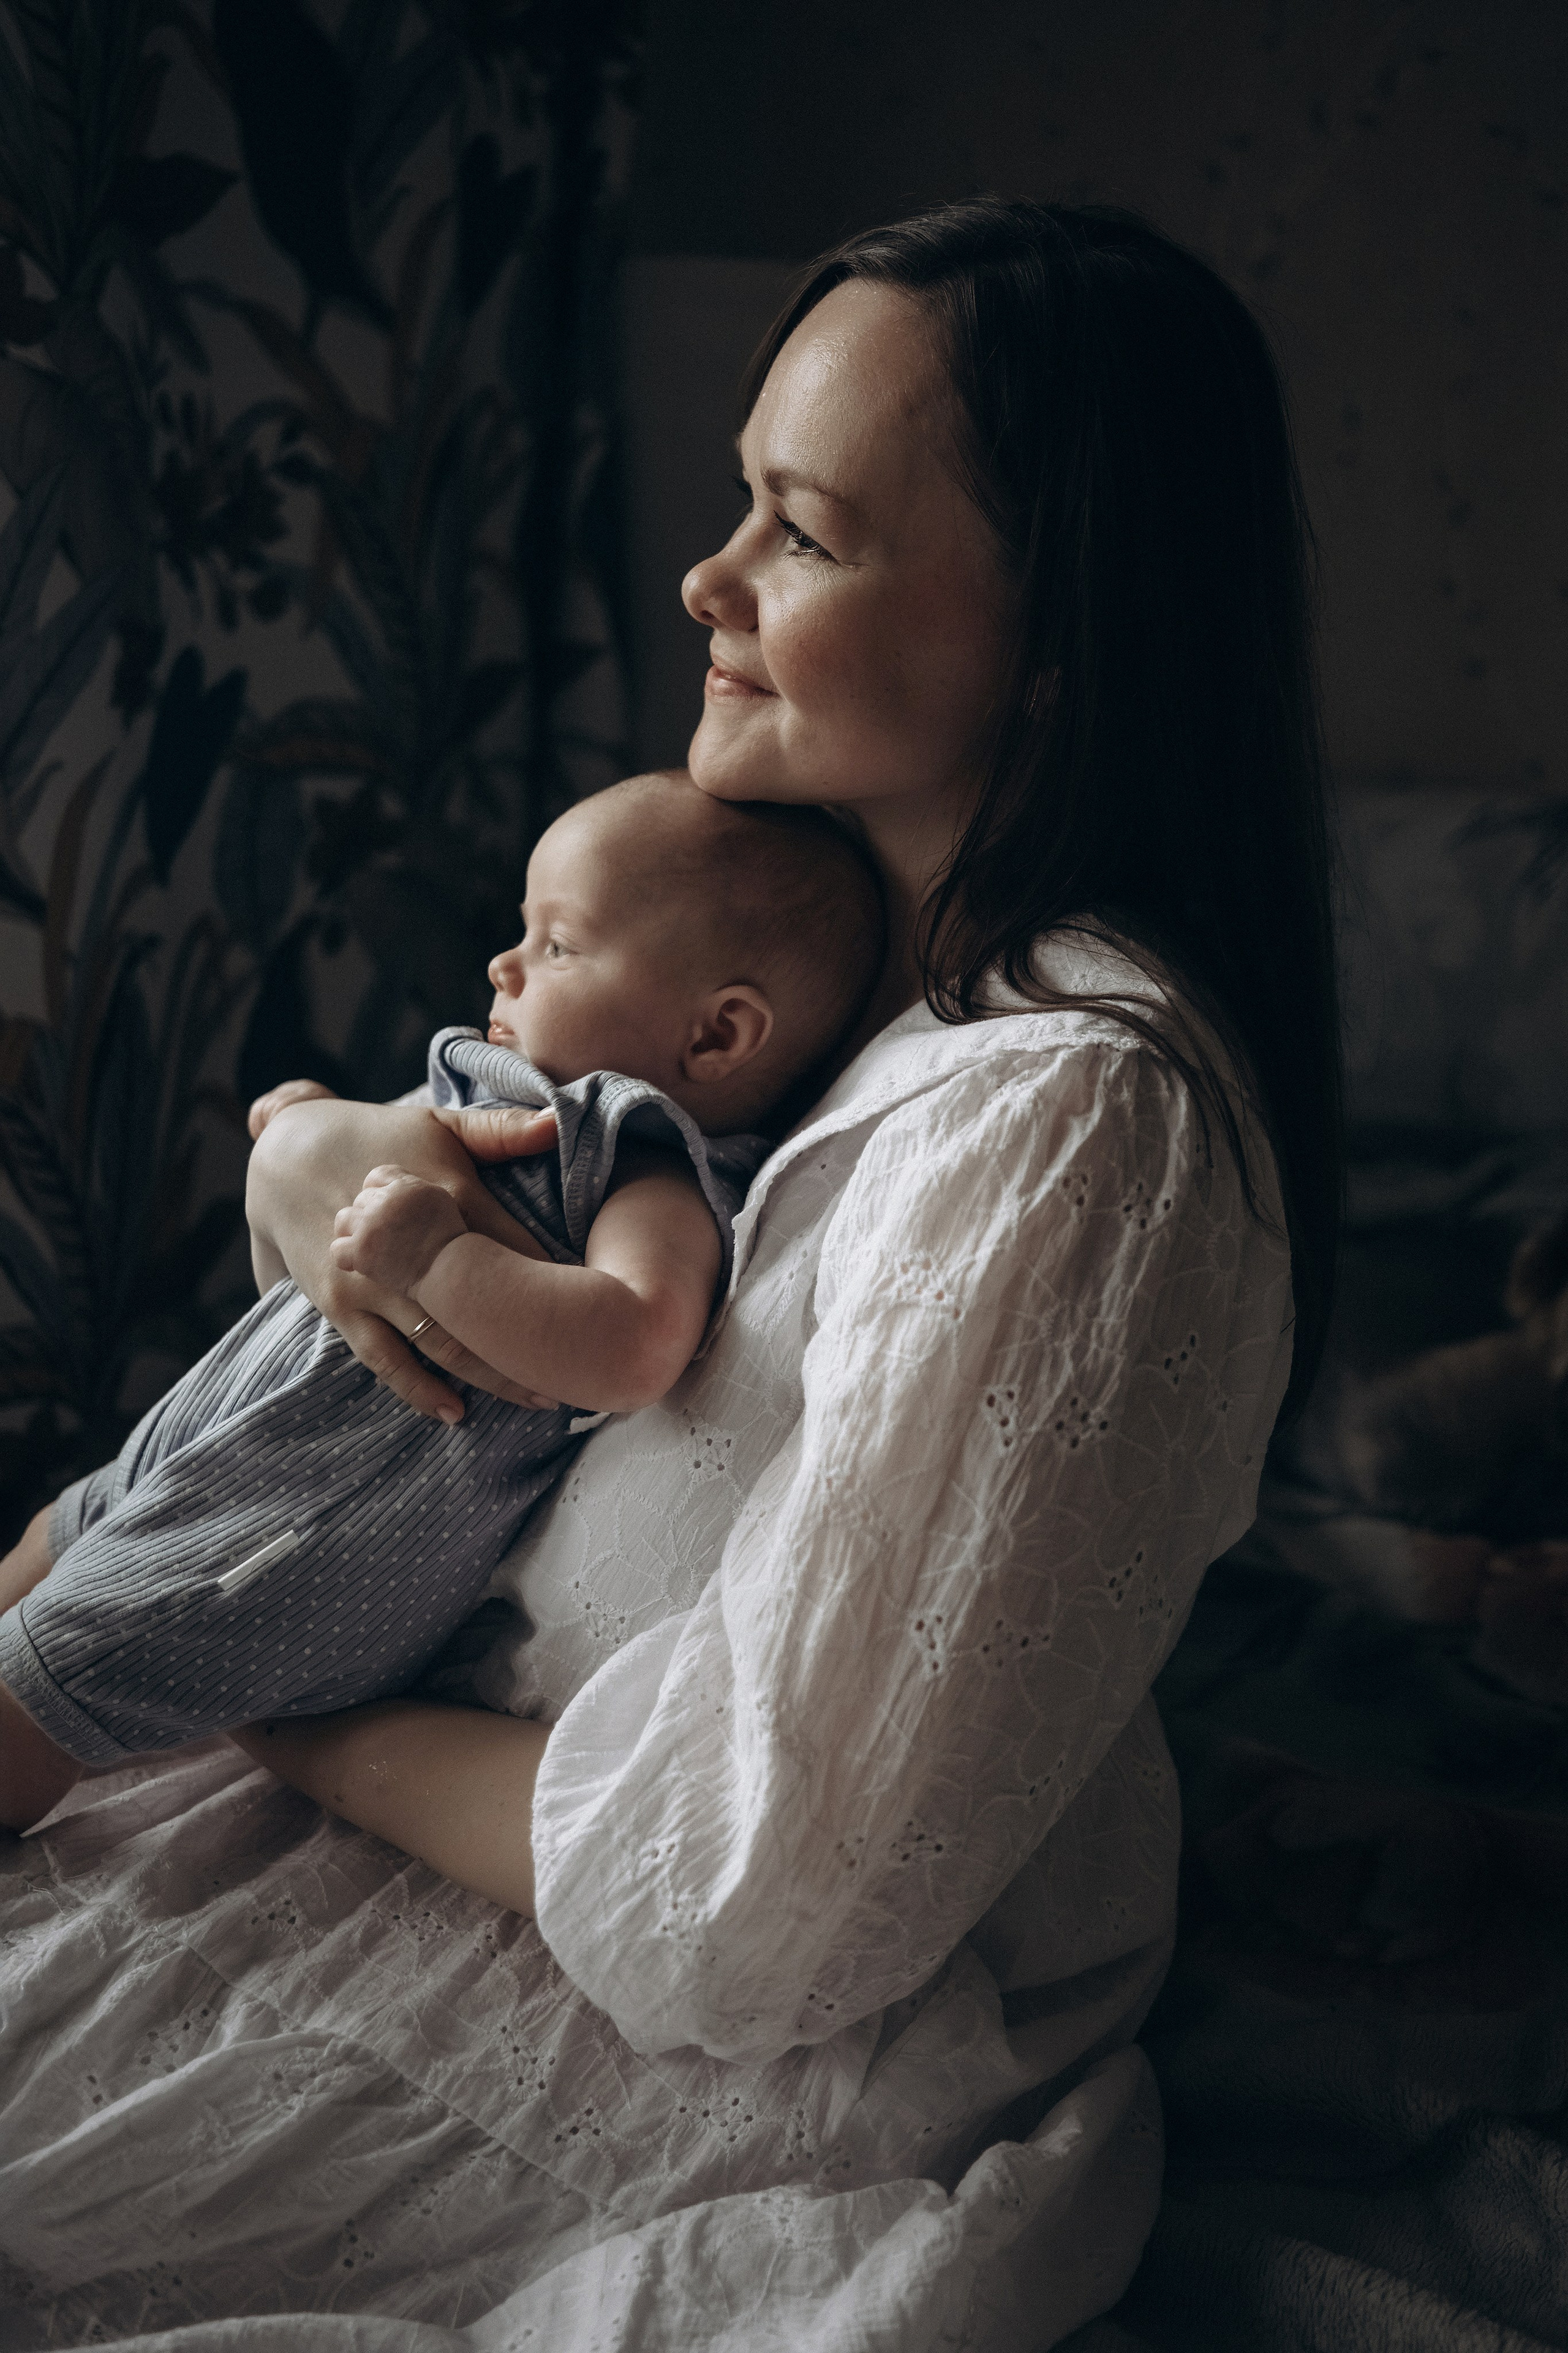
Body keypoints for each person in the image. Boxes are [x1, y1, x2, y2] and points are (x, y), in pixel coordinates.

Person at [0, 199, 1340, 2349]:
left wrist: (281, 1701)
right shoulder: (853, 1013)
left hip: (653, 2035)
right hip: (393, 1787)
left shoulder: (1074, 1124)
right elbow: (489, 1210)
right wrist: (335, 1158)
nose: (707, 580)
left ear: (1059, 638)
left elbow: (747, 1908)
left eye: (800, 532)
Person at [0, 773, 883, 1830]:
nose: (507, 963)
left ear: (716, 1038)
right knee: (56, 1541)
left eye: (558, 944)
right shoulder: (522, 1087)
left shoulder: (647, 1167)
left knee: (48, 1683)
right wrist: (317, 1124)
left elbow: (640, 1340)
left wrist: (442, 1263)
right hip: (221, 1426)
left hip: (306, 1521)